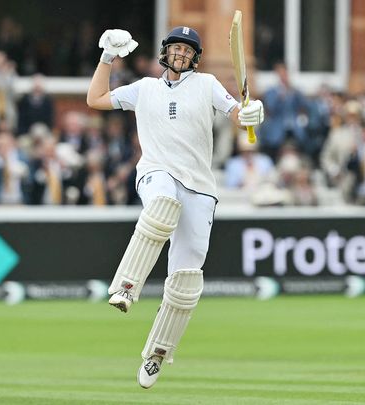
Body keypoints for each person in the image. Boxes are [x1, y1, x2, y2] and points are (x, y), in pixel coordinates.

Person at [86, 27, 264, 389]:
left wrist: (250, 114)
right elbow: (96, 99)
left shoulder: (207, 83)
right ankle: (125, 286)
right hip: (156, 171)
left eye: (188, 50)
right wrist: (107, 57)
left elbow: (233, 110)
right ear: (165, 52)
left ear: (195, 57)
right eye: (176, 48)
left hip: (200, 186)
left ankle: (156, 354)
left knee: (186, 280)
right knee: (162, 205)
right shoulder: (145, 88)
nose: (181, 54)